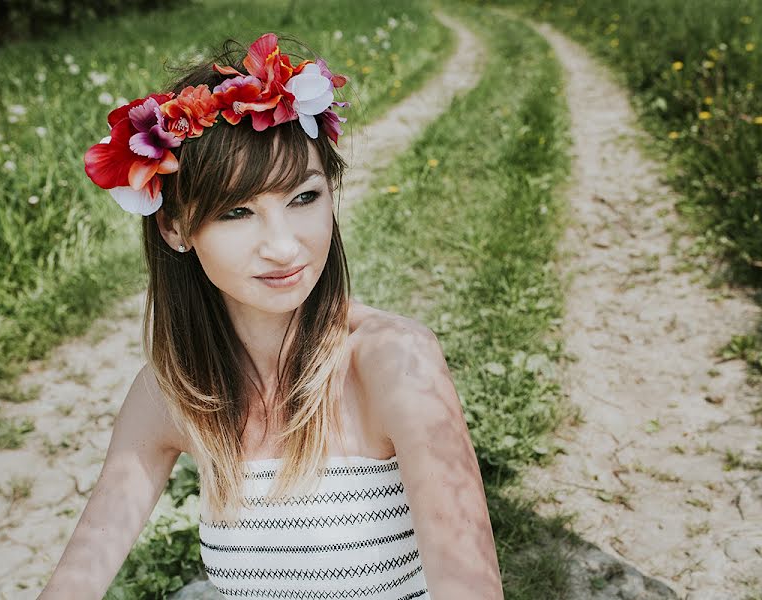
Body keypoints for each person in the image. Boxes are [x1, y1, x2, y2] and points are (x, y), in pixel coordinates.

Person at [39, 31, 503, 600]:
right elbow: (77, 579)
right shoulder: (172, 394)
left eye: (303, 198)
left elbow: (471, 590)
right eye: (238, 212)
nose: (284, 246)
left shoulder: (393, 360)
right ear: (176, 228)